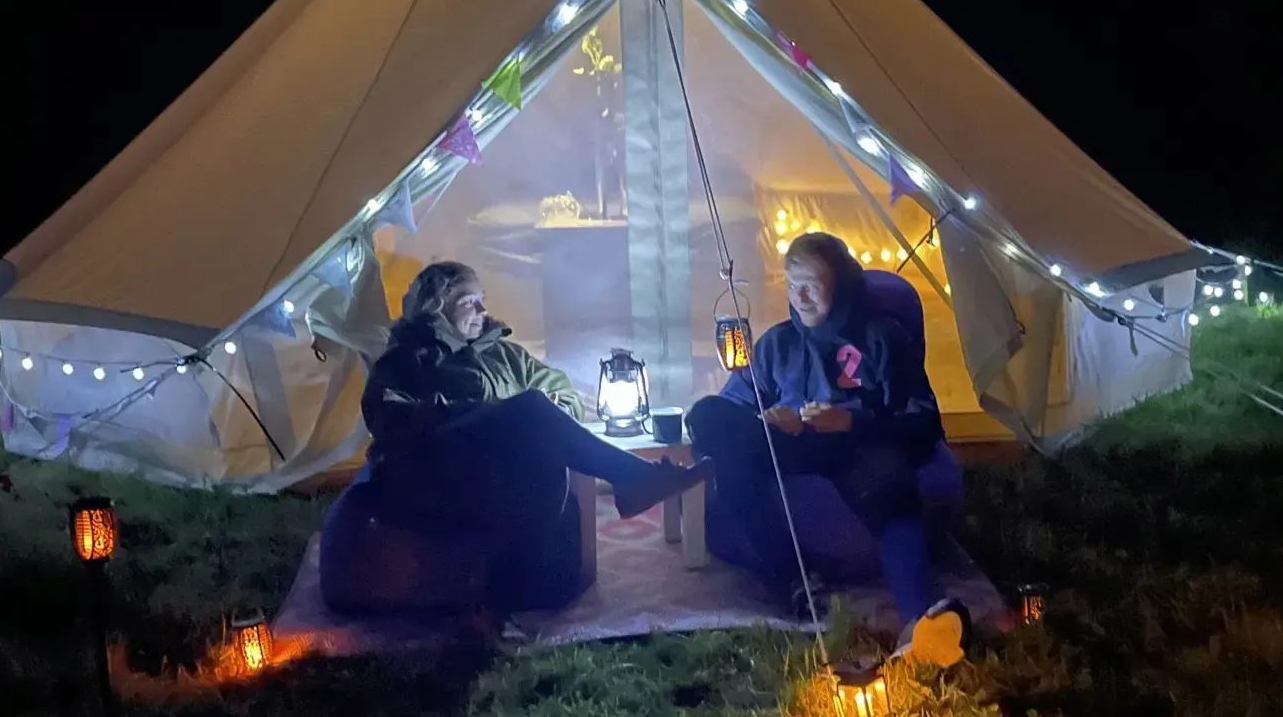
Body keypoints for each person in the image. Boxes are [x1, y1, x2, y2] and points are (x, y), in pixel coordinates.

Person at [686, 233, 967, 661]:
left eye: (811, 285)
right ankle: (794, 580)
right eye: (791, 283)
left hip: (859, 446)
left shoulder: (882, 338)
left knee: (889, 482)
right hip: (793, 442)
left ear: (842, 285)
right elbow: (733, 404)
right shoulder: (778, 343)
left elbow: (923, 419)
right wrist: (767, 418)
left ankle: (920, 619)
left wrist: (852, 420)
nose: (798, 296)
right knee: (708, 421)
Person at [362, 261, 713, 544]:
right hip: (447, 470)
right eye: (469, 302)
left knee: (533, 408)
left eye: (482, 299)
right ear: (437, 309)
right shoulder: (409, 357)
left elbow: (561, 393)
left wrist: (536, 420)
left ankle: (634, 480)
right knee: (529, 406)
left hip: (510, 468)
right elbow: (388, 417)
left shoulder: (503, 353)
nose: (483, 310)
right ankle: (635, 478)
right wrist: (488, 415)